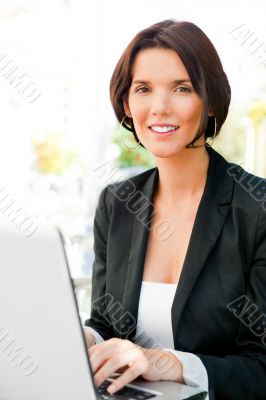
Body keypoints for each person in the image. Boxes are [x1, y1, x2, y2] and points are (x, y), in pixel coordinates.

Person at [84, 19, 266, 400]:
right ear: (126, 103)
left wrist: (163, 361)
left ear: (210, 99)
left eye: (182, 88)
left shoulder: (256, 208)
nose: (160, 107)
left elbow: (260, 367)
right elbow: (105, 322)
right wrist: (80, 337)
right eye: (143, 89)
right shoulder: (116, 204)